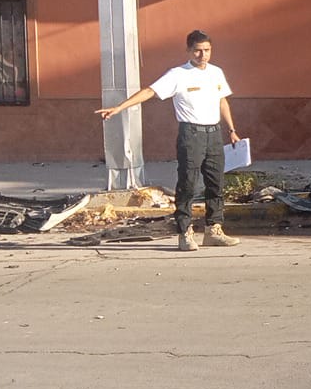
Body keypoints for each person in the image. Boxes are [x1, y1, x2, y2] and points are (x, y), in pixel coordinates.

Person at [95, 30, 242, 252]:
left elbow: (222, 101)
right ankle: (185, 232)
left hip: (214, 133)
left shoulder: (216, 73)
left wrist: (231, 129)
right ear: (189, 51)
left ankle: (214, 230)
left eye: (207, 50)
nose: (203, 55)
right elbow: (149, 91)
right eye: (198, 50)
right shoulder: (178, 74)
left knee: (216, 183)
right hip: (191, 134)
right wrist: (119, 108)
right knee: (188, 184)